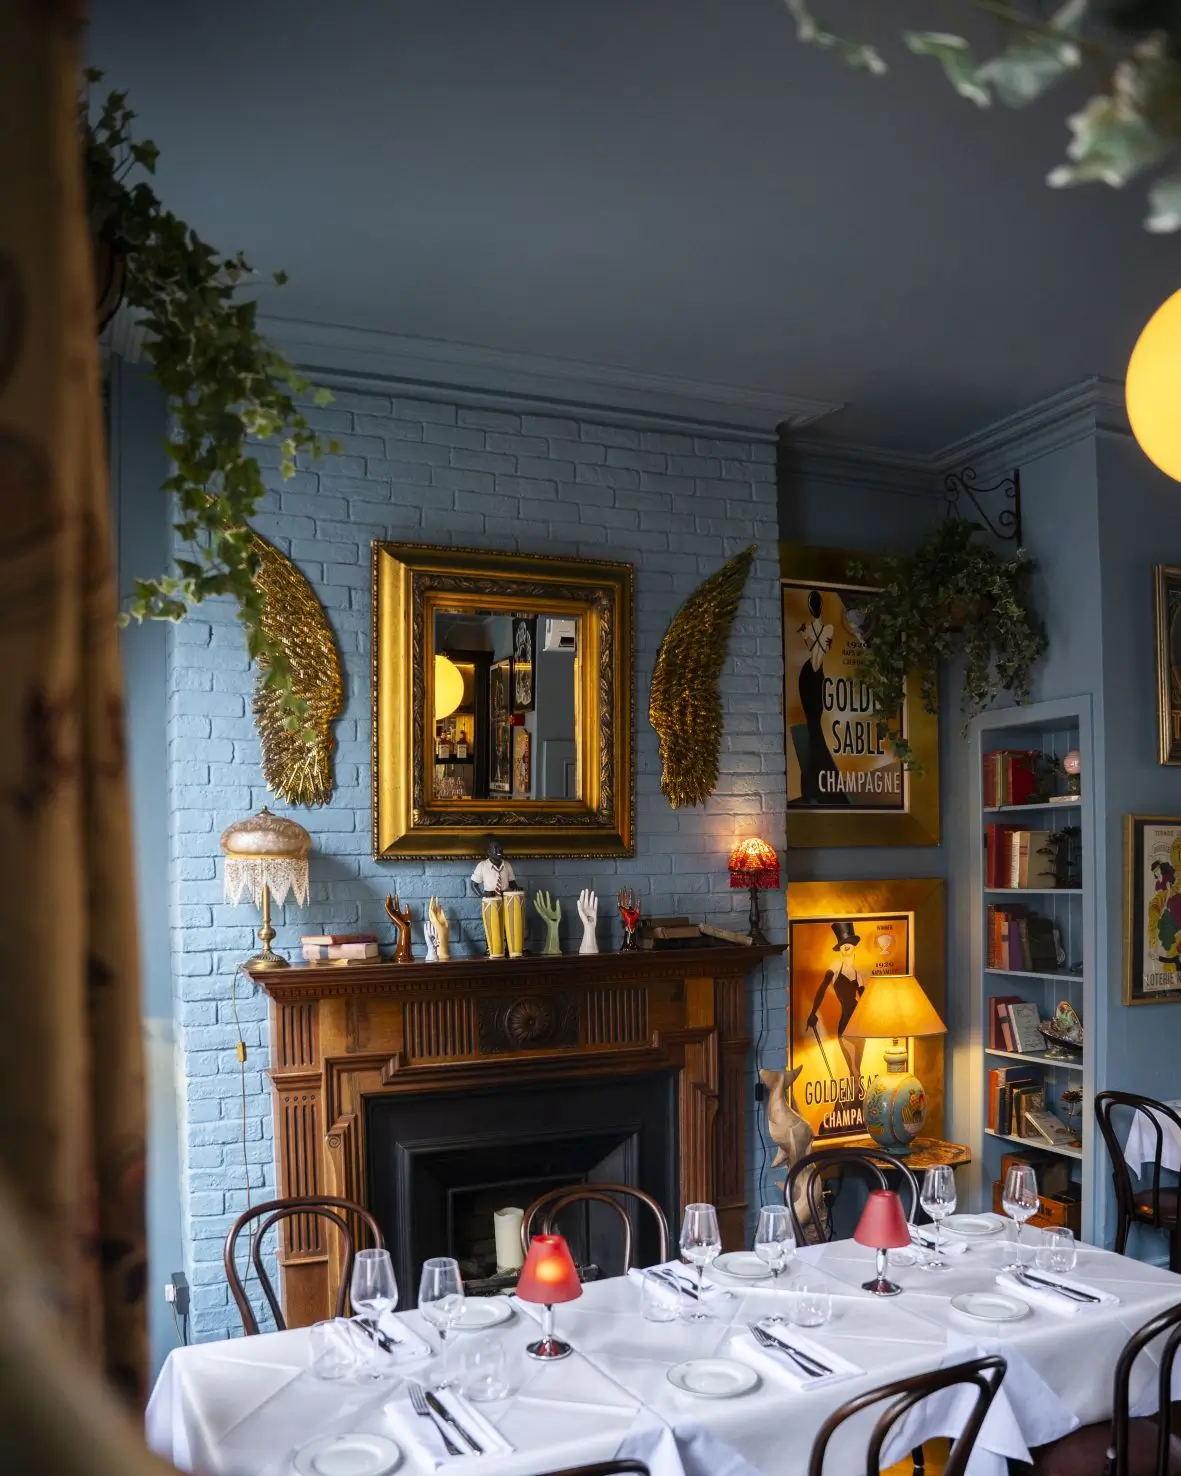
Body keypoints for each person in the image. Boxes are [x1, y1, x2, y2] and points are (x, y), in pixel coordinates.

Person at [797, 590, 846, 806]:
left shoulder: (813, 628)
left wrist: (807, 634)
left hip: (812, 673)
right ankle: (815, 785)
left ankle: (814, 785)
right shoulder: (825, 628)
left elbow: (813, 649)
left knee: (813, 726)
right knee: (812, 727)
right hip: (813, 674)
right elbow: (819, 650)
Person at [805, 921, 866, 1085]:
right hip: (846, 1022)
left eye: (850, 943)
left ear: (854, 946)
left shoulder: (857, 973)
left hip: (859, 1024)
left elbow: (865, 1001)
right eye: (843, 943)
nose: (847, 946)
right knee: (852, 1070)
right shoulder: (835, 968)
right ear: (839, 947)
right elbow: (822, 989)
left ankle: (858, 1101)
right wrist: (813, 1012)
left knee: (857, 1071)